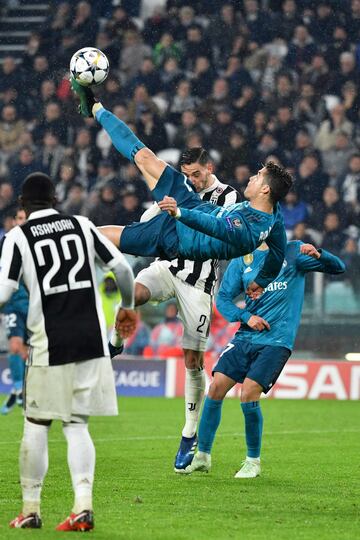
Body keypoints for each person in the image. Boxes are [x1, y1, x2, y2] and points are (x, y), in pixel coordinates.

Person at [0, 172, 136, 531]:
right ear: (56, 198)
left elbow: (3, 292)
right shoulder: (82, 224)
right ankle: (83, 506)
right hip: (91, 341)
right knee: (77, 425)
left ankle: (31, 509)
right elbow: (121, 267)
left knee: (36, 424)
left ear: (22, 206)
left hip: (49, 342)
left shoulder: (18, 236)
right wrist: (129, 305)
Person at [71, 80, 293, 299]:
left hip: (176, 238)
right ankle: (95, 108)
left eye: (258, 178)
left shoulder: (246, 231)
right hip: (191, 203)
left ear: (265, 190)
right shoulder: (275, 216)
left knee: (116, 237)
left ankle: (67, 241)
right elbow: (278, 252)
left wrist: (179, 213)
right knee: (145, 157)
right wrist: (261, 281)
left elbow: (216, 227)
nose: (252, 177)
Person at [182, 241, 345, 478]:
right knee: (216, 387)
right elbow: (223, 300)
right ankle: (203, 456)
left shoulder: (293, 252)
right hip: (246, 336)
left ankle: (253, 461)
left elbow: (338, 267)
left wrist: (320, 254)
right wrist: (246, 317)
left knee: (248, 392)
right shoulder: (243, 259)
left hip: (276, 340)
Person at [134, 147, 240, 472]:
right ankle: (115, 340)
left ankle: (189, 433)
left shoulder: (228, 196)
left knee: (193, 361)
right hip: (168, 267)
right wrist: (152, 217)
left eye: (197, 174)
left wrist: (179, 211)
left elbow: (215, 227)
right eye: (188, 174)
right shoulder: (179, 187)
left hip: (200, 285)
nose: (192, 180)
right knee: (134, 291)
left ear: (209, 167)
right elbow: (146, 219)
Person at [0, 209, 28, 415]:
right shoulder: (7, 241)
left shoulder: (37, 241)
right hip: (12, 303)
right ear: (13, 221)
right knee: (15, 345)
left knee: (31, 350)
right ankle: (18, 388)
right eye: (19, 218)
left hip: (33, 303)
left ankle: (23, 389)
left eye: (25, 218)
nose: (22, 222)